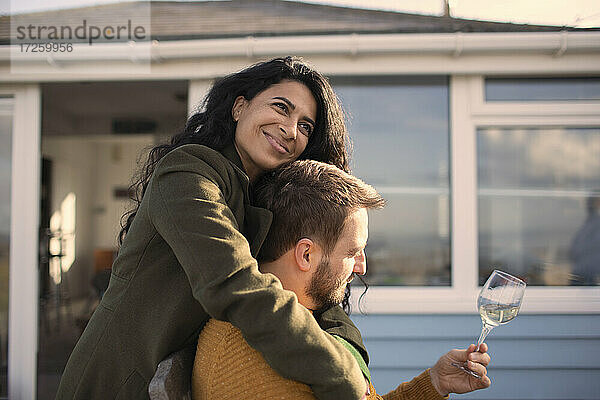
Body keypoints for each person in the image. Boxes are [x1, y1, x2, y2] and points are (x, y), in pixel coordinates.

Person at [56, 57, 369, 399]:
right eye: (281, 107)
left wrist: (348, 352)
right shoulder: (186, 174)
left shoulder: (263, 200)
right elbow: (234, 283)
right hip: (118, 384)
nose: (291, 130)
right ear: (239, 107)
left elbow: (319, 289)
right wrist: (338, 372)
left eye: (306, 126)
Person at [192, 160, 492, 400]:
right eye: (353, 251)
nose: (361, 266)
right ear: (306, 255)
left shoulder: (290, 329)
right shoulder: (261, 359)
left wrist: (435, 383)